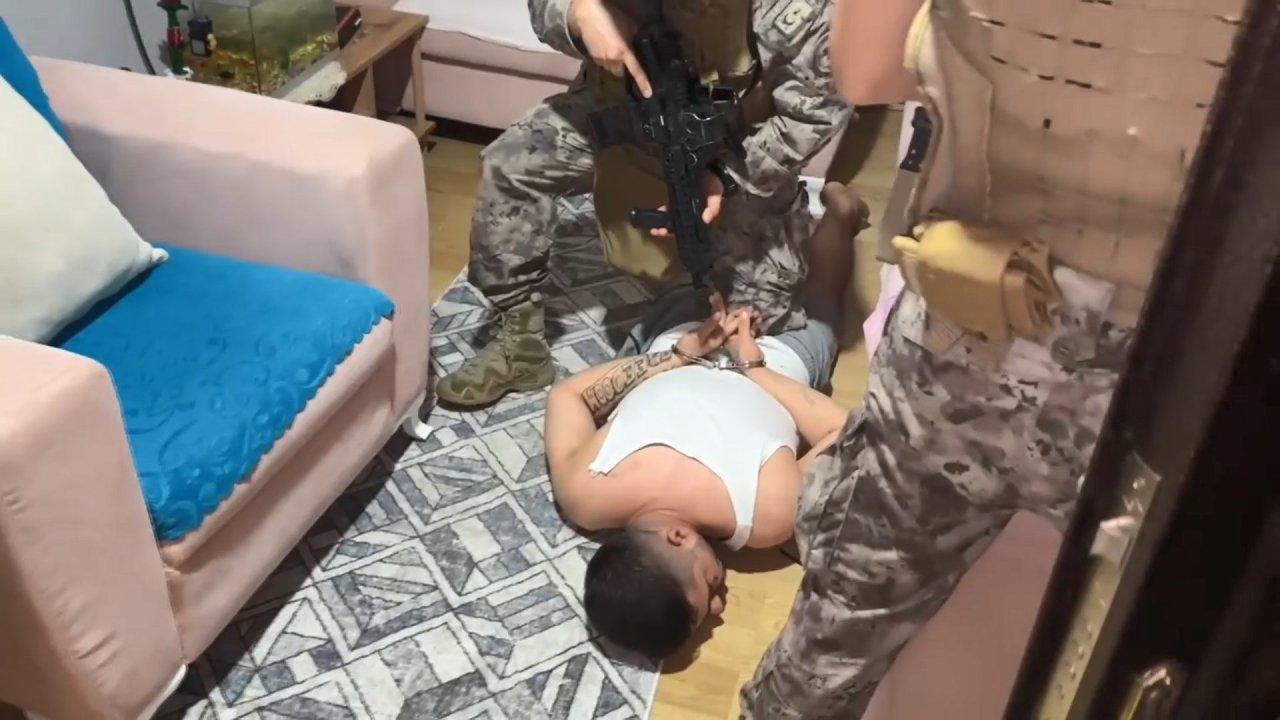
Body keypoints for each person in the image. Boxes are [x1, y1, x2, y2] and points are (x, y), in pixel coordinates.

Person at [739, 0, 1223, 716]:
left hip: (964, 353)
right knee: (1146, 667)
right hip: (1178, 387)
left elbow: (865, 70)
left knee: (830, 650)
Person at [434, 0, 850, 408]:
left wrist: (728, 176)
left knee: (750, 328)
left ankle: (839, 218)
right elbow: (541, 9)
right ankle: (519, 347)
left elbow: (817, 111)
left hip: (732, 142)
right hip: (615, 110)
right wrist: (577, 13)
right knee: (510, 164)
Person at [544, 184, 869, 658]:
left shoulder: (763, 517)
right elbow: (849, 431)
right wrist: (746, 363)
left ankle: (829, 212)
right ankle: (834, 214)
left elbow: (848, 430)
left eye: (706, 593)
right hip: (755, 352)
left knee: (814, 295)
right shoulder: (583, 495)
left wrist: (688, 355)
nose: (719, 607)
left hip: (706, 342)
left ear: (677, 537)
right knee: (774, 289)